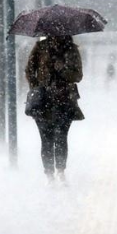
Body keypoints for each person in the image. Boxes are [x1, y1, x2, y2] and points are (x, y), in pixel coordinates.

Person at [25, 35, 84, 186]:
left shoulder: (71, 49)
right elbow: (29, 70)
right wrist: (37, 87)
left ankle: (61, 171)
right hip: (43, 101)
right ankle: (49, 174)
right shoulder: (40, 47)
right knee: (46, 139)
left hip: (65, 100)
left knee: (61, 137)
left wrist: (63, 69)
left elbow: (78, 76)